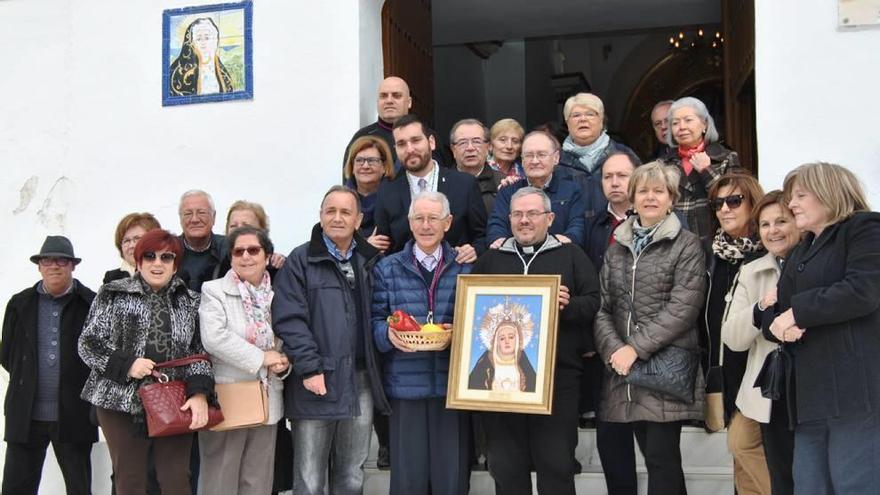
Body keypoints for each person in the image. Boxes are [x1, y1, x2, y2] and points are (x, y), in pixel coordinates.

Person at [471, 187, 600, 495]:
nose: (524, 221)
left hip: (558, 380)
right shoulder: (492, 258)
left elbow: (594, 301)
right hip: (500, 385)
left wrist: (567, 307)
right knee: (505, 467)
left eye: (532, 214)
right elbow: (472, 314)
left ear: (550, 218)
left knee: (556, 465)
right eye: (517, 214)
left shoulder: (570, 255)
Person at [766, 162, 880, 494]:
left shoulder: (864, 228)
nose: (792, 204)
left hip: (854, 394)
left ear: (830, 194)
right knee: (809, 486)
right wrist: (775, 320)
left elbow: (863, 291)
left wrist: (797, 313)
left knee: (854, 484)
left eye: (800, 195)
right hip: (807, 397)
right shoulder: (803, 248)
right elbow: (779, 311)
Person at [594, 162, 707, 495]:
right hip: (622, 371)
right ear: (632, 198)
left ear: (671, 198)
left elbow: (683, 308)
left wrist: (634, 349)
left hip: (663, 369)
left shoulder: (686, 244)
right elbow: (603, 309)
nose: (651, 197)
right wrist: (615, 350)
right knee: (629, 456)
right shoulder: (617, 248)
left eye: (659, 191)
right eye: (643, 191)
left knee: (662, 460)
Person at [78, 228, 215, 495]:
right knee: (130, 480)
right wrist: (127, 364)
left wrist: (199, 394)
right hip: (120, 401)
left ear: (175, 265)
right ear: (138, 262)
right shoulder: (113, 294)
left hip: (175, 399)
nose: (157, 263)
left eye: (166, 257)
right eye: (150, 256)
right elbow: (88, 343)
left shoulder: (190, 302)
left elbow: (200, 353)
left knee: (176, 480)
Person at [273, 186, 390, 494]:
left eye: (345, 212)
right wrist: (310, 368)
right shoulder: (300, 261)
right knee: (310, 478)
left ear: (358, 219)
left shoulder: (370, 260)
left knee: (352, 474)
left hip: (360, 379)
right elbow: (289, 319)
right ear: (321, 216)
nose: (337, 218)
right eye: (330, 211)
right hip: (316, 379)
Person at [371, 191, 472, 495]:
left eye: (433, 218)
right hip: (405, 385)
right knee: (408, 480)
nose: (426, 225)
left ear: (448, 223)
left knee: (450, 478)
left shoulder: (466, 267)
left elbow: (480, 322)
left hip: (451, 387)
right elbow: (375, 319)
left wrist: (461, 332)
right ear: (410, 222)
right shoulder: (387, 268)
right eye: (419, 218)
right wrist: (387, 335)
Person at [197, 226, 290, 494]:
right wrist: (262, 358)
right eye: (239, 251)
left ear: (267, 255)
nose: (246, 256)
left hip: (267, 399)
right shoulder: (214, 290)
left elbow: (286, 338)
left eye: (254, 250)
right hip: (229, 398)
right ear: (231, 257)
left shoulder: (279, 293)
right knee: (221, 483)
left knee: (258, 483)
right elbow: (214, 338)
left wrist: (283, 364)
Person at [1, 236, 97, 495]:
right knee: (15, 488)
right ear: (39, 265)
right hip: (26, 414)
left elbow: (99, 356)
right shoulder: (19, 304)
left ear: (72, 266)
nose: (54, 266)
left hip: (74, 412)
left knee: (79, 488)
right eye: (48, 260)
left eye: (62, 260)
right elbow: (8, 354)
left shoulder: (90, 303)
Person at [721, 190, 799, 495]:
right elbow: (733, 338)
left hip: (802, 383)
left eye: (781, 221)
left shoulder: (812, 263)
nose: (773, 231)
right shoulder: (752, 271)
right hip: (762, 383)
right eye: (765, 225)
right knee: (740, 442)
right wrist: (757, 310)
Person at [701, 172, 769, 494]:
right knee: (739, 462)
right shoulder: (711, 256)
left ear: (753, 204)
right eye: (718, 203)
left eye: (734, 201)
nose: (725, 209)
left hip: (759, 369)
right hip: (723, 368)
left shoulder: (769, 251)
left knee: (743, 444)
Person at [581, 150, 641, 495]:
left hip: (648, 346)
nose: (615, 182)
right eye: (608, 177)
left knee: (656, 447)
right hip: (606, 346)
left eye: (622, 175)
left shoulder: (656, 222)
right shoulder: (594, 229)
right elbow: (590, 290)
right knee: (612, 442)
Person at [373, 114, 487, 260]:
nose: (409, 149)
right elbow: (384, 245)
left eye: (416, 141)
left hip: (455, 275)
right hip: (405, 278)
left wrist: (475, 250)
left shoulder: (465, 184)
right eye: (402, 144)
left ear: (431, 142)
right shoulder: (387, 190)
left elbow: (482, 235)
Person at [488, 130, 586, 247]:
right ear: (522, 160)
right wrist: (499, 241)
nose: (534, 161)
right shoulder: (508, 191)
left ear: (556, 158)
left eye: (541, 155)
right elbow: (496, 226)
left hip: (559, 254)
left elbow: (577, 226)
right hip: (516, 257)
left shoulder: (571, 190)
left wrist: (567, 239)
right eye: (529, 155)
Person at [661, 96, 740, 240]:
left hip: (717, 240)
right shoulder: (663, 165)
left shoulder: (726, 157)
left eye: (688, 120)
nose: (682, 127)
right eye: (675, 123)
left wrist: (706, 170)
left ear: (704, 124)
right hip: (677, 243)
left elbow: (734, 202)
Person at [556, 92, 638, 218]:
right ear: (567, 123)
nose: (583, 119)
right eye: (576, 115)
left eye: (590, 114)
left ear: (601, 121)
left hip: (616, 232)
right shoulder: (556, 161)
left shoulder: (624, 155)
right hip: (571, 234)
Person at [344, 76, 451, 169]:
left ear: (409, 102)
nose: (389, 101)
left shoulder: (427, 136)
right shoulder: (362, 137)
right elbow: (349, 182)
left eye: (396, 95)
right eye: (383, 96)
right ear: (377, 102)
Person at [212, 200, 287, 280]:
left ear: (262, 231)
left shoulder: (278, 267)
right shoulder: (214, 270)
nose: (239, 230)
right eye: (233, 226)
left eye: (246, 226)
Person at [343, 135, 396, 242]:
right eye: (359, 160)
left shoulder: (395, 199)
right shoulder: (341, 199)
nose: (365, 166)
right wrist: (365, 245)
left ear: (384, 167)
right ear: (352, 167)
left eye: (372, 160)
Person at [468, 314, 537, 392]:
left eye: (511, 337)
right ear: (496, 342)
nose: (507, 341)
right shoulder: (485, 362)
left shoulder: (523, 363)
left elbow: (533, 389)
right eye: (502, 338)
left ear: (517, 339)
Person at [450, 118, 504, 215]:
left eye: (476, 141)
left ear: (488, 147)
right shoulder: (442, 182)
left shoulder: (503, 183)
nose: (470, 148)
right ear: (453, 150)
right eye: (463, 143)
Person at [169, 17, 234, 96]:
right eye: (199, 39)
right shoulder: (178, 74)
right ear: (191, 43)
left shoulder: (223, 74)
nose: (203, 43)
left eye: (207, 38)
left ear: (216, 41)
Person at [178, 189, 228, 291]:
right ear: (180, 219)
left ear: (214, 217)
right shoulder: (169, 251)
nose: (195, 219)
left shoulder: (229, 248)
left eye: (201, 212)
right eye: (188, 214)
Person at [104, 212, 162, 283]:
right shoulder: (112, 278)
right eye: (127, 241)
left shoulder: (170, 273)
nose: (131, 245)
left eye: (137, 239)